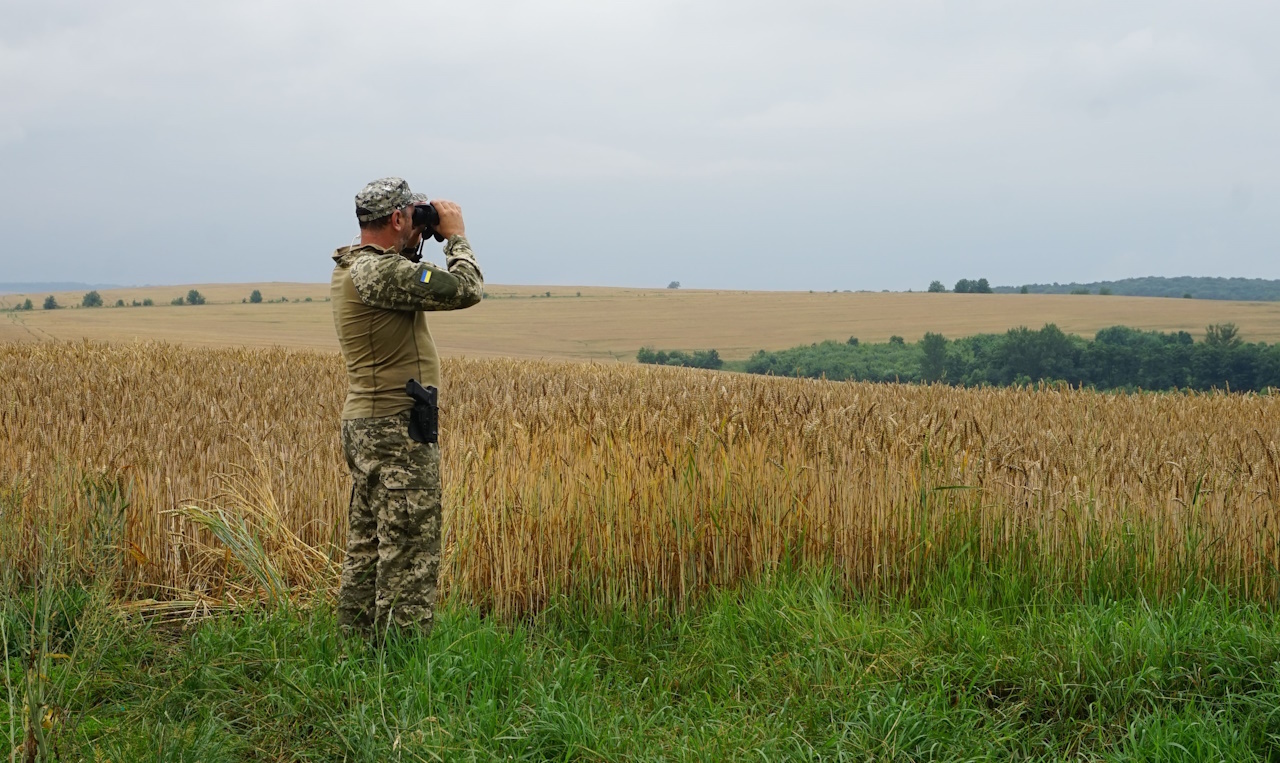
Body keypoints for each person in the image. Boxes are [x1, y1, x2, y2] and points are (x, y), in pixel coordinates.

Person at [330, 176, 484, 634]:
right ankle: (403, 658)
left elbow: (408, 277)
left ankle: (357, 651)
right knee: (411, 549)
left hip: (370, 424)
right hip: (397, 429)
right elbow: (466, 288)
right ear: (397, 218)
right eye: (413, 215)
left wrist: (414, 241)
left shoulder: (357, 266)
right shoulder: (380, 273)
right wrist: (455, 237)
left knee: (370, 546)